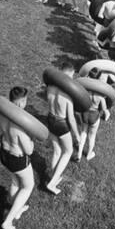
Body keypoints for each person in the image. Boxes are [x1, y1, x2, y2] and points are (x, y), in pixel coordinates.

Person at [0, 87, 35, 229]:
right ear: (20, 103)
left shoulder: (2, 116)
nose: (24, 103)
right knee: (28, 186)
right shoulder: (20, 126)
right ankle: (8, 221)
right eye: (24, 101)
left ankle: (16, 208)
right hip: (17, 159)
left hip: (4, 154)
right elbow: (29, 150)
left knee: (14, 182)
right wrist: (31, 140)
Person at [44, 62, 81, 195]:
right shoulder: (68, 95)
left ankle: (55, 176)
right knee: (68, 151)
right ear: (69, 76)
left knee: (57, 151)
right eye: (71, 77)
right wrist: (77, 135)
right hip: (61, 123)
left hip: (50, 118)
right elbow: (71, 118)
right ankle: (52, 183)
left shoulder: (50, 88)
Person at [75, 68, 110, 162]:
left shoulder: (85, 90)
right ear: (99, 78)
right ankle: (89, 155)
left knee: (83, 133)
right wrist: (107, 114)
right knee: (92, 136)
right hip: (94, 116)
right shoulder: (100, 95)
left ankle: (78, 155)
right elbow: (104, 109)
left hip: (85, 114)